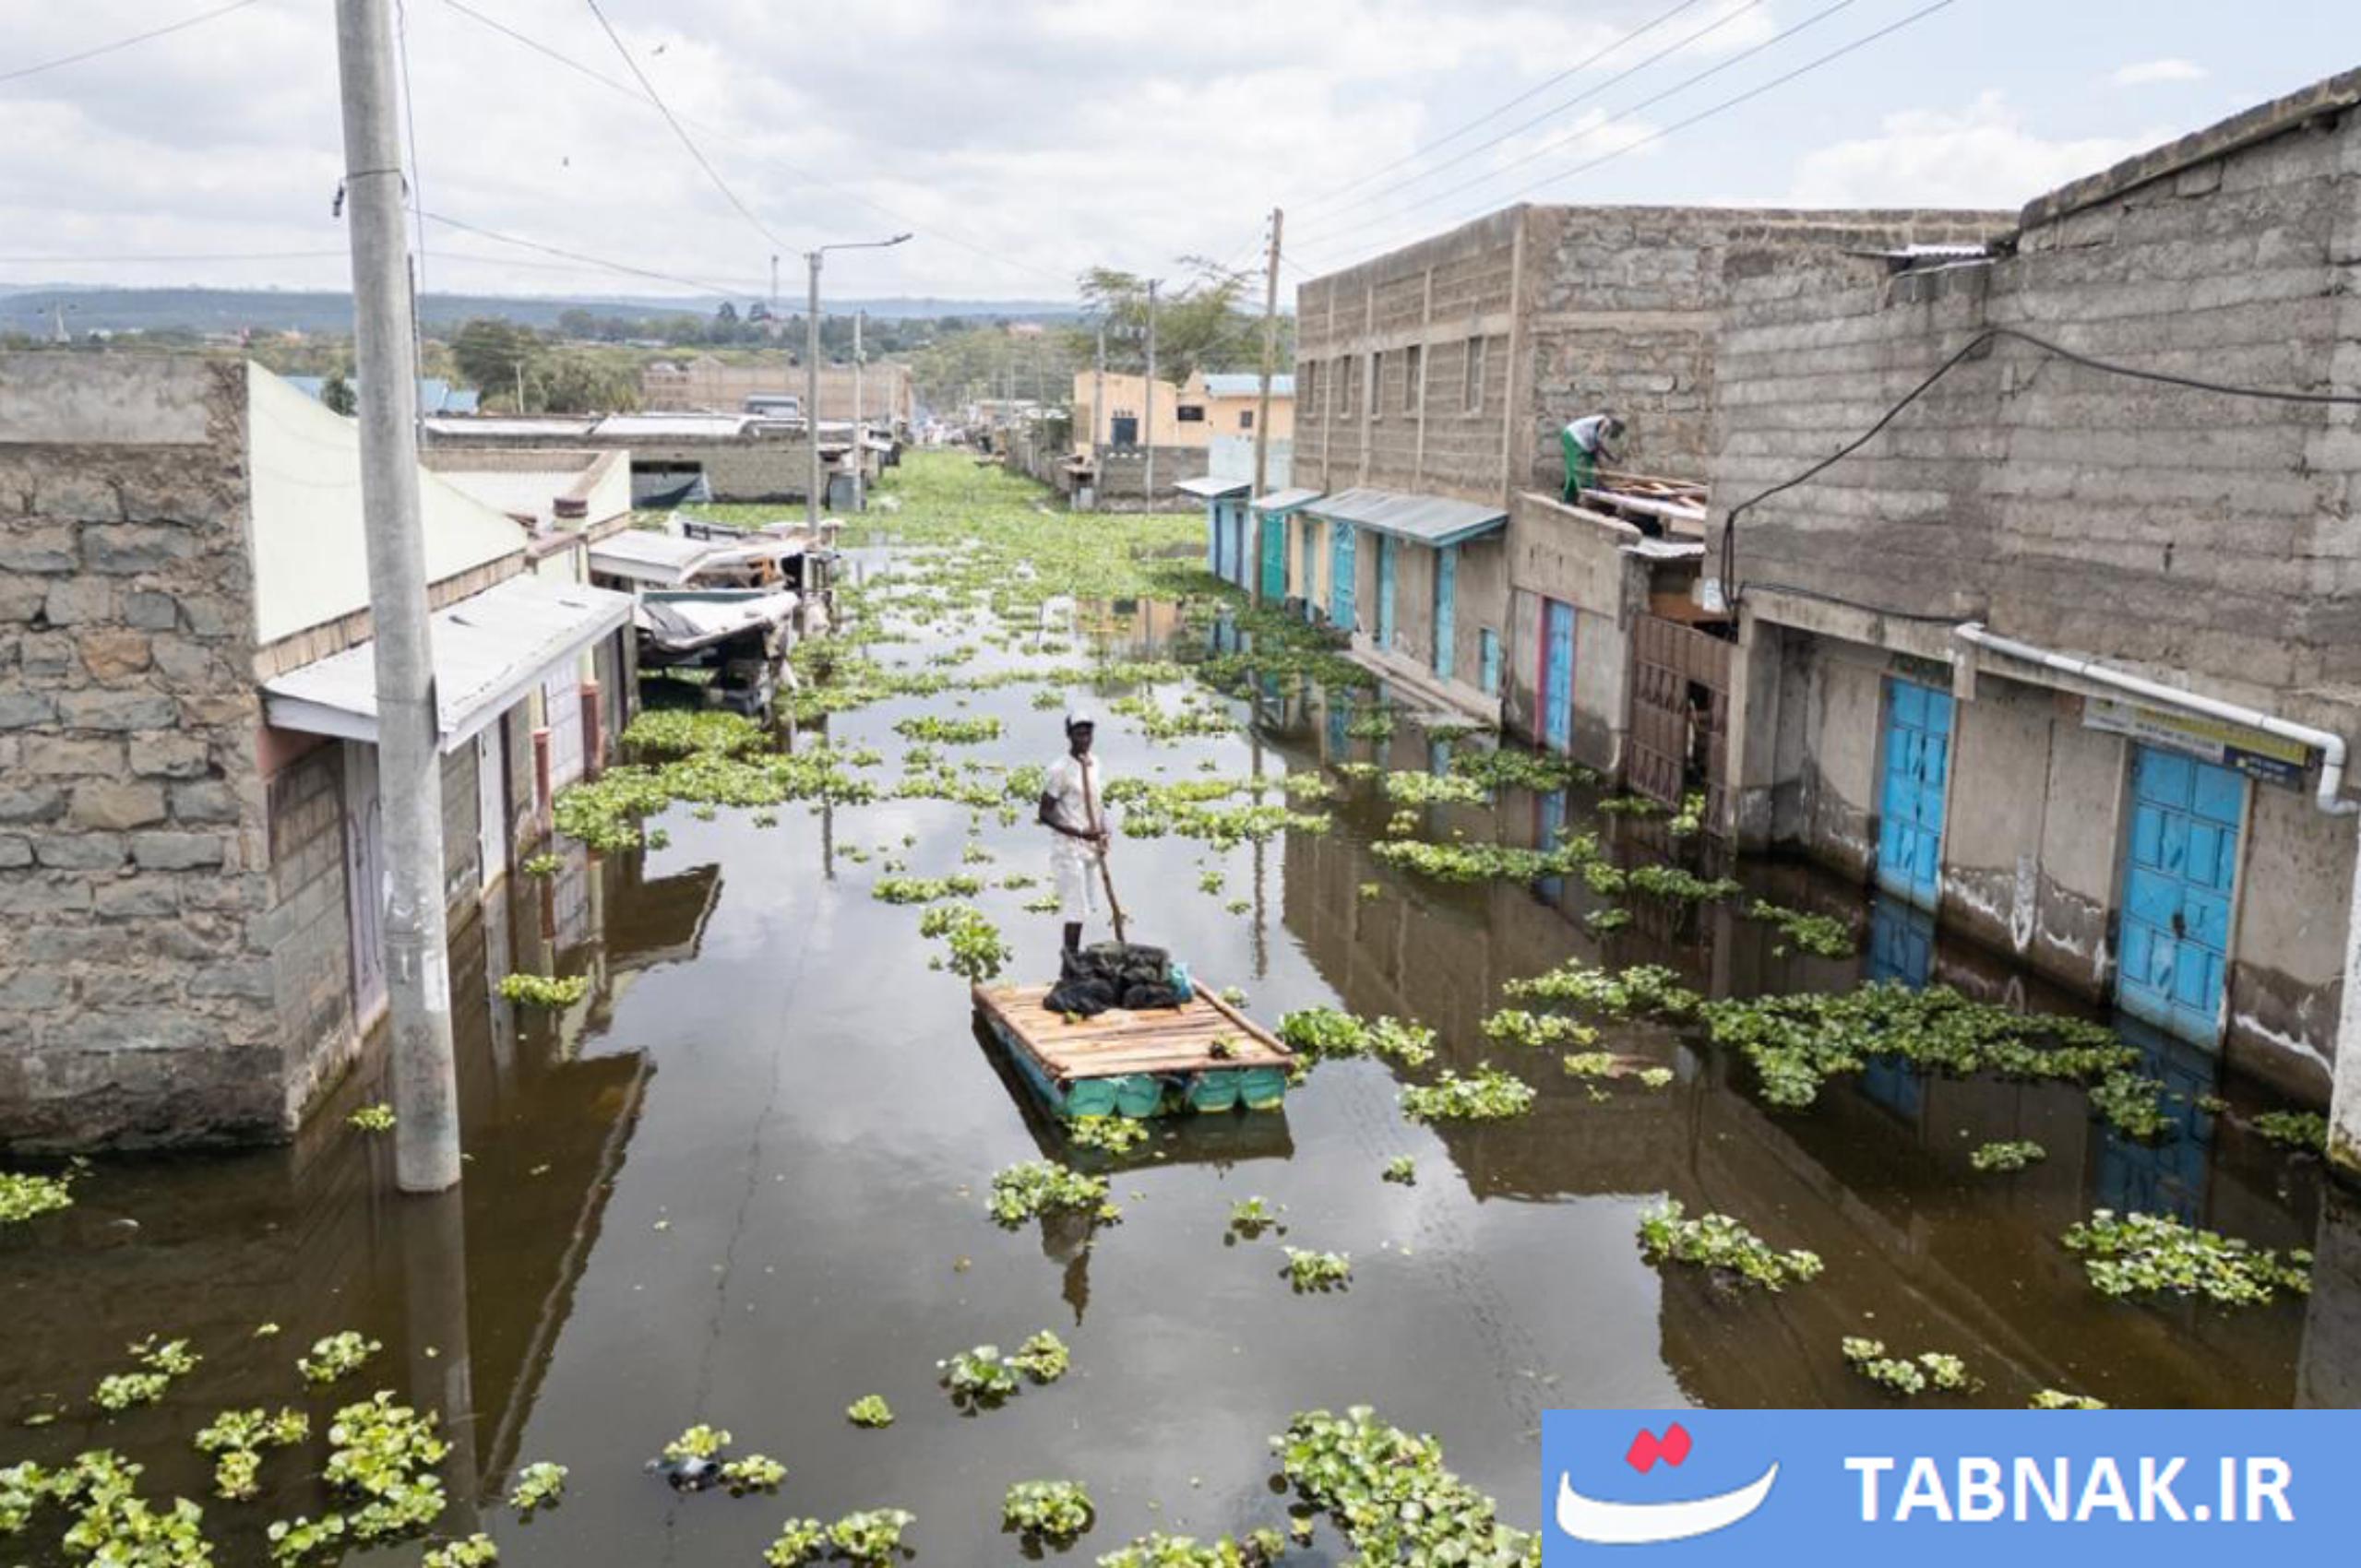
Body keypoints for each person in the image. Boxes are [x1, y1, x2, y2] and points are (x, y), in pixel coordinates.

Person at [1039, 708, 1111, 955]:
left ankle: (1072, 961)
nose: (1084, 739)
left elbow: (1097, 803)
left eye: (1088, 733)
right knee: (1074, 908)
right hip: (1068, 849)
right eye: (1079, 734)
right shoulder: (1059, 770)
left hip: (1089, 847)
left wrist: (1104, 831)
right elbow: (1044, 813)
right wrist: (1080, 832)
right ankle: (1069, 962)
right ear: (1069, 735)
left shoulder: (1095, 764)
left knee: (1084, 907)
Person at [1560, 412, 1626, 502]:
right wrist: (1610, 457)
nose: (1616, 434)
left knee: (1589, 470)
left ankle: (1588, 494)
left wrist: (1600, 464)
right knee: (1573, 467)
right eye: (1617, 432)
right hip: (1571, 435)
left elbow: (1595, 449)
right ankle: (1568, 498)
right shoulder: (1606, 423)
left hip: (1584, 441)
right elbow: (1598, 443)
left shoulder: (1603, 427)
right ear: (1615, 427)